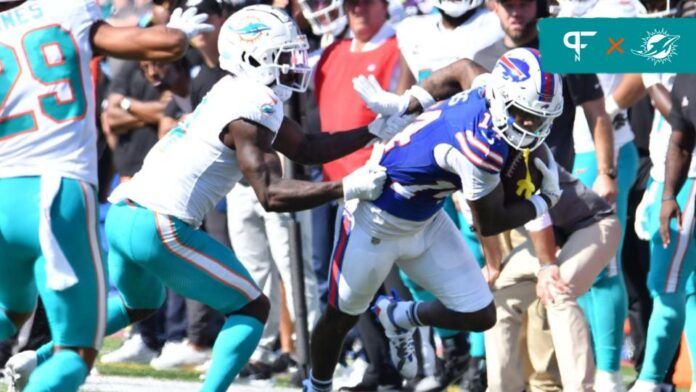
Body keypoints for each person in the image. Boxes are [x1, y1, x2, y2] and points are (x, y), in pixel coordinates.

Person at [5, 5, 406, 392]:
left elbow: (305, 147)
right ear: (253, 57)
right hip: (162, 223)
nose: (294, 64)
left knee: (138, 304)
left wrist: (372, 130)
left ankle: (36, 359)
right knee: (251, 309)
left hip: (127, 213)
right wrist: (345, 186)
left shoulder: (234, 90)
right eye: (285, 55)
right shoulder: (254, 103)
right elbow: (272, 194)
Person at [305, 48, 562, 392]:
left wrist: (410, 101)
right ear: (502, 97)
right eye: (523, 115)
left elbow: (462, 68)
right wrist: (544, 202)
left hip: (426, 218)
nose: (530, 127)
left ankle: (398, 317)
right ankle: (316, 385)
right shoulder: (480, 147)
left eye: (538, 118)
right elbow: (489, 223)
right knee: (342, 314)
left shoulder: (488, 91)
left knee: (481, 314)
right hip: (374, 221)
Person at [0, 0, 211, 390]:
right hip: (55, 190)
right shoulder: (63, 12)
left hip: (3, 190)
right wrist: (178, 34)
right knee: (75, 353)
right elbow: (164, 46)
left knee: (12, 311)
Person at [629, 72, 696, 391]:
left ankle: (651, 380)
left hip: (689, 176)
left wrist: (648, 72)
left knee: (665, 282)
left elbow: (682, 118)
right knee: (690, 288)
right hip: (670, 173)